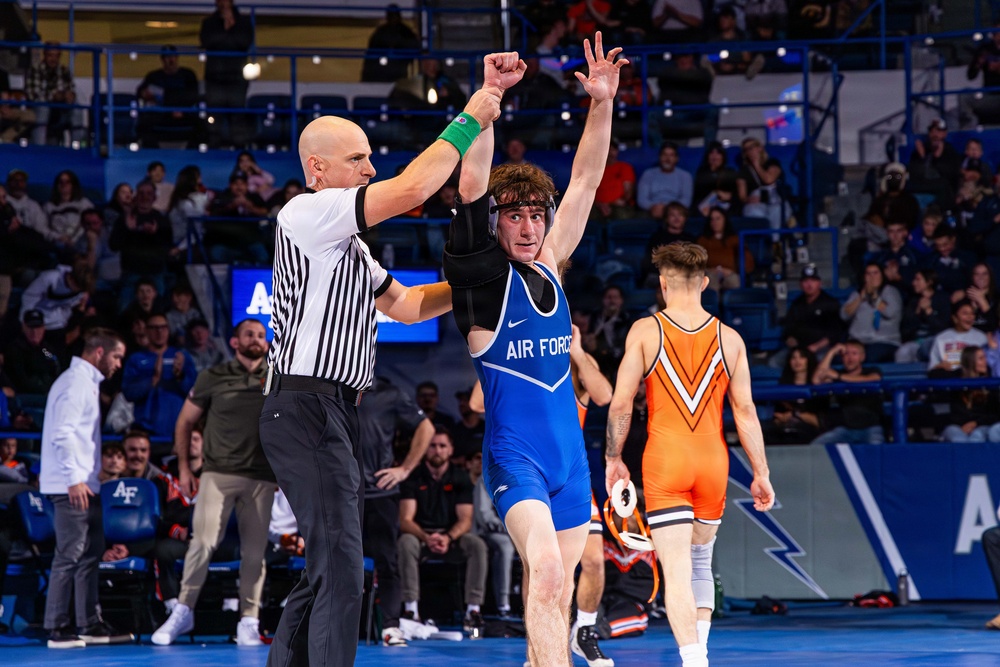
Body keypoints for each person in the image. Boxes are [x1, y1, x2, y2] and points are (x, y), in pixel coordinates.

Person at [256, 57, 501, 667]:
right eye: (358, 159)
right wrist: (471, 116)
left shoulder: (349, 248)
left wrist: (477, 280)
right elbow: (414, 188)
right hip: (306, 404)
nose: (370, 169)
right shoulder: (305, 213)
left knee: (330, 564)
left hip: (328, 410)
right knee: (341, 563)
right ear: (317, 168)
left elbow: (410, 307)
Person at [442, 38, 625, 666]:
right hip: (515, 459)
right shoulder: (481, 282)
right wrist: (490, 97)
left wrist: (601, 103)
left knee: (556, 590)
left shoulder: (549, 263)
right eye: (514, 217)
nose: (527, 227)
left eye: (535, 216)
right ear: (495, 223)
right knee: (545, 573)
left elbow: (587, 179)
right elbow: (472, 186)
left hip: (571, 463)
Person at [604, 241, 774, 667]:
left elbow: (621, 404)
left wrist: (613, 458)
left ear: (663, 284)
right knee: (701, 562)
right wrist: (761, 473)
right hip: (713, 461)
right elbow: (746, 412)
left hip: (667, 459)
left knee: (677, 571)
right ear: (704, 283)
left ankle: (694, 659)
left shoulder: (646, 332)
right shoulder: (730, 339)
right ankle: (701, 654)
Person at [152, 319, 275, 646]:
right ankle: (183, 610)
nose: (257, 339)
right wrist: (183, 468)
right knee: (202, 542)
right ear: (234, 342)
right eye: (249, 334)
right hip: (218, 473)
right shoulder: (212, 376)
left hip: (262, 477)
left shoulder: (278, 377)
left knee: (254, 552)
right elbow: (184, 421)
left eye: (261, 335)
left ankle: (249, 620)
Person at [38, 328, 130, 648]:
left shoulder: (86, 383)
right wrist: (74, 479)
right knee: (70, 554)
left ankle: (89, 623)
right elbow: (62, 434)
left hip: (84, 484)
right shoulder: (75, 383)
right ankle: (57, 627)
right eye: (116, 356)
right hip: (70, 485)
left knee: (90, 553)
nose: (119, 363)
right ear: (99, 352)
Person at [357, 375, 434, 647]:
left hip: (380, 493)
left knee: (387, 562)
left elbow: (426, 428)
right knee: (337, 561)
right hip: (341, 493)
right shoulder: (332, 389)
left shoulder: (389, 394)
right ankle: (335, 626)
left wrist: (404, 469)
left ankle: (390, 627)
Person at [398, 426, 488, 631]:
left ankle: (473, 610)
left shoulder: (461, 477)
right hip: (420, 536)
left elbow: (465, 520)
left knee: (477, 545)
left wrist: (447, 537)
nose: (437, 450)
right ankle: (411, 610)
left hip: (452, 537)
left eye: (442, 446)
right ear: (424, 449)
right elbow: (405, 520)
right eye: (432, 446)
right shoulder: (413, 477)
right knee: (405, 542)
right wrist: (426, 537)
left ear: (450, 450)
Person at [122, 313, 197, 436]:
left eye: (163, 327)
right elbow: (129, 393)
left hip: (177, 428)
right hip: (145, 428)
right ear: (146, 331)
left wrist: (180, 376)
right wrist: (153, 379)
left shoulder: (181, 357)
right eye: (154, 328)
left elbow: (196, 393)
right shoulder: (136, 359)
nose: (159, 332)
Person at [200, 0, 254, 148]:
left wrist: (231, 27)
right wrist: (226, 30)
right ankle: (214, 149)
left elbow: (244, 42)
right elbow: (207, 42)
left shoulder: (243, 22)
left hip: (236, 78)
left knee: (237, 117)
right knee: (214, 117)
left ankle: (239, 151)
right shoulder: (209, 23)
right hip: (215, 77)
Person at [810, 340, 885, 444]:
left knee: (876, 449)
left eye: (854, 354)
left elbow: (873, 379)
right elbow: (816, 380)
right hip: (845, 429)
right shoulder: (838, 373)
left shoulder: (872, 370)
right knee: (816, 446)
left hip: (870, 427)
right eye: (846, 354)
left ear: (862, 357)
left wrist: (838, 376)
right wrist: (832, 352)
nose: (850, 358)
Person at [136, 45, 201, 148]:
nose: (170, 60)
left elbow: (192, 96)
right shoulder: (154, 76)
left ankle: (194, 153)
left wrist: (171, 101)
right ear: (162, 59)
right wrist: (145, 94)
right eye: (167, 57)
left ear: (177, 58)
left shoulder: (188, 75)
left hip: (183, 114)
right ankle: (151, 153)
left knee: (201, 124)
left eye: (172, 57)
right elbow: (141, 92)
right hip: (160, 114)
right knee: (144, 123)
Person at [840, 263, 903, 363]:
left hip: (884, 341)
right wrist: (860, 298)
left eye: (875, 273)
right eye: (868, 274)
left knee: (868, 357)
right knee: (839, 359)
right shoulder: (857, 294)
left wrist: (873, 296)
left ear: (882, 275)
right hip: (857, 342)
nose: (872, 277)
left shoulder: (890, 291)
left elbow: (891, 313)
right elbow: (844, 315)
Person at [26, 42, 84, 146]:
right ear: (44, 54)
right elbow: (33, 95)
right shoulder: (35, 69)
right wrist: (53, 96)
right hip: (39, 109)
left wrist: (70, 96)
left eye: (56, 56)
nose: (53, 59)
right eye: (50, 55)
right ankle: (39, 149)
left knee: (77, 109)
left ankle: (76, 148)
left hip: (61, 110)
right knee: (43, 108)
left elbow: (70, 89)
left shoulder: (64, 70)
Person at [938, 346, 1000, 442]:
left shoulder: (990, 382)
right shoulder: (958, 377)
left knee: (977, 437)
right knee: (958, 439)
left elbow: (995, 413)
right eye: (981, 358)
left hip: (981, 424)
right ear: (971, 362)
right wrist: (938, 367)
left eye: (985, 357)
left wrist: (976, 423)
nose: (985, 361)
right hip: (957, 425)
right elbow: (933, 375)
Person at [895, 268, 951, 364]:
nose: (914, 283)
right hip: (916, 342)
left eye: (918, 279)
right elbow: (906, 329)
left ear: (929, 282)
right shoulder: (913, 301)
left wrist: (928, 311)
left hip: (935, 340)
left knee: (927, 347)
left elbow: (943, 328)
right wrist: (917, 312)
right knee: (902, 352)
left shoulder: (942, 299)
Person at [3, 308, 61, 394]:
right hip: (25, 396)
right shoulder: (15, 350)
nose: (35, 332)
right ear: (24, 327)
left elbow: (55, 366)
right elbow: (21, 381)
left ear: (43, 328)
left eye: (38, 327)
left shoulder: (45, 350)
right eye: (31, 327)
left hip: (48, 393)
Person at [907, 119, 962, 207]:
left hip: (942, 191)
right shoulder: (921, 150)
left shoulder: (950, 152)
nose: (935, 134)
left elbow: (950, 176)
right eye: (932, 131)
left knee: (943, 186)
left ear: (944, 134)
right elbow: (913, 173)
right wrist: (922, 157)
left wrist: (937, 158)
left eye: (938, 131)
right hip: (923, 186)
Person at [698, 206, 754, 291]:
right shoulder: (702, 240)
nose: (714, 222)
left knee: (734, 281)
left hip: (731, 273)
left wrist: (732, 271)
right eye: (712, 219)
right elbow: (697, 263)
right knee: (709, 281)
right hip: (709, 273)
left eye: (718, 218)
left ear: (725, 220)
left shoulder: (735, 239)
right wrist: (710, 270)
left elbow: (747, 262)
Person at [361, 4, 420, 83]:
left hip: (399, 65)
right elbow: (371, 52)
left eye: (395, 15)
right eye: (391, 15)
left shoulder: (406, 32)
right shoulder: (381, 32)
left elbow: (414, 46)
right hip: (382, 68)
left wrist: (400, 48)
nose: (393, 18)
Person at [927, 299, 989, 373]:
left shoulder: (981, 338)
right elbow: (932, 368)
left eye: (972, 313)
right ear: (955, 318)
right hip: (948, 376)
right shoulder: (941, 338)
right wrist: (940, 366)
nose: (970, 317)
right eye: (965, 313)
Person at [637, 142, 694, 216]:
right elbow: (642, 199)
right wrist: (653, 207)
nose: (668, 159)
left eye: (671, 155)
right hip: (653, 210)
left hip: (676, 211)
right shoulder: (648, 174)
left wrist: (668, 209)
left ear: (676, 159)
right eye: (664, 155)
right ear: (659, 157)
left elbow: (686, 201)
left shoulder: (685, 176)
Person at [693, 141, 738, 216]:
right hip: (706, 207)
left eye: (718, 153)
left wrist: (729, 196)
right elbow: (698, 194)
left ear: (722, 156)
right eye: (711, 153)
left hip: (725, 205)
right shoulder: (702, 172)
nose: (714, 156)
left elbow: (736, 193)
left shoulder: (730, 172)